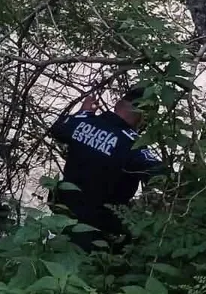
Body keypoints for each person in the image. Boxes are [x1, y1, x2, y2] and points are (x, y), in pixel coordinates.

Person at [48, 87, 165, 253]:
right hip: (100, 233)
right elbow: (162, 176)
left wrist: (83, 112)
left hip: (64, 220)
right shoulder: (132, 145)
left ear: (118, 105)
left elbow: (57, 129)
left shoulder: (83, 122)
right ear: (142, 117)